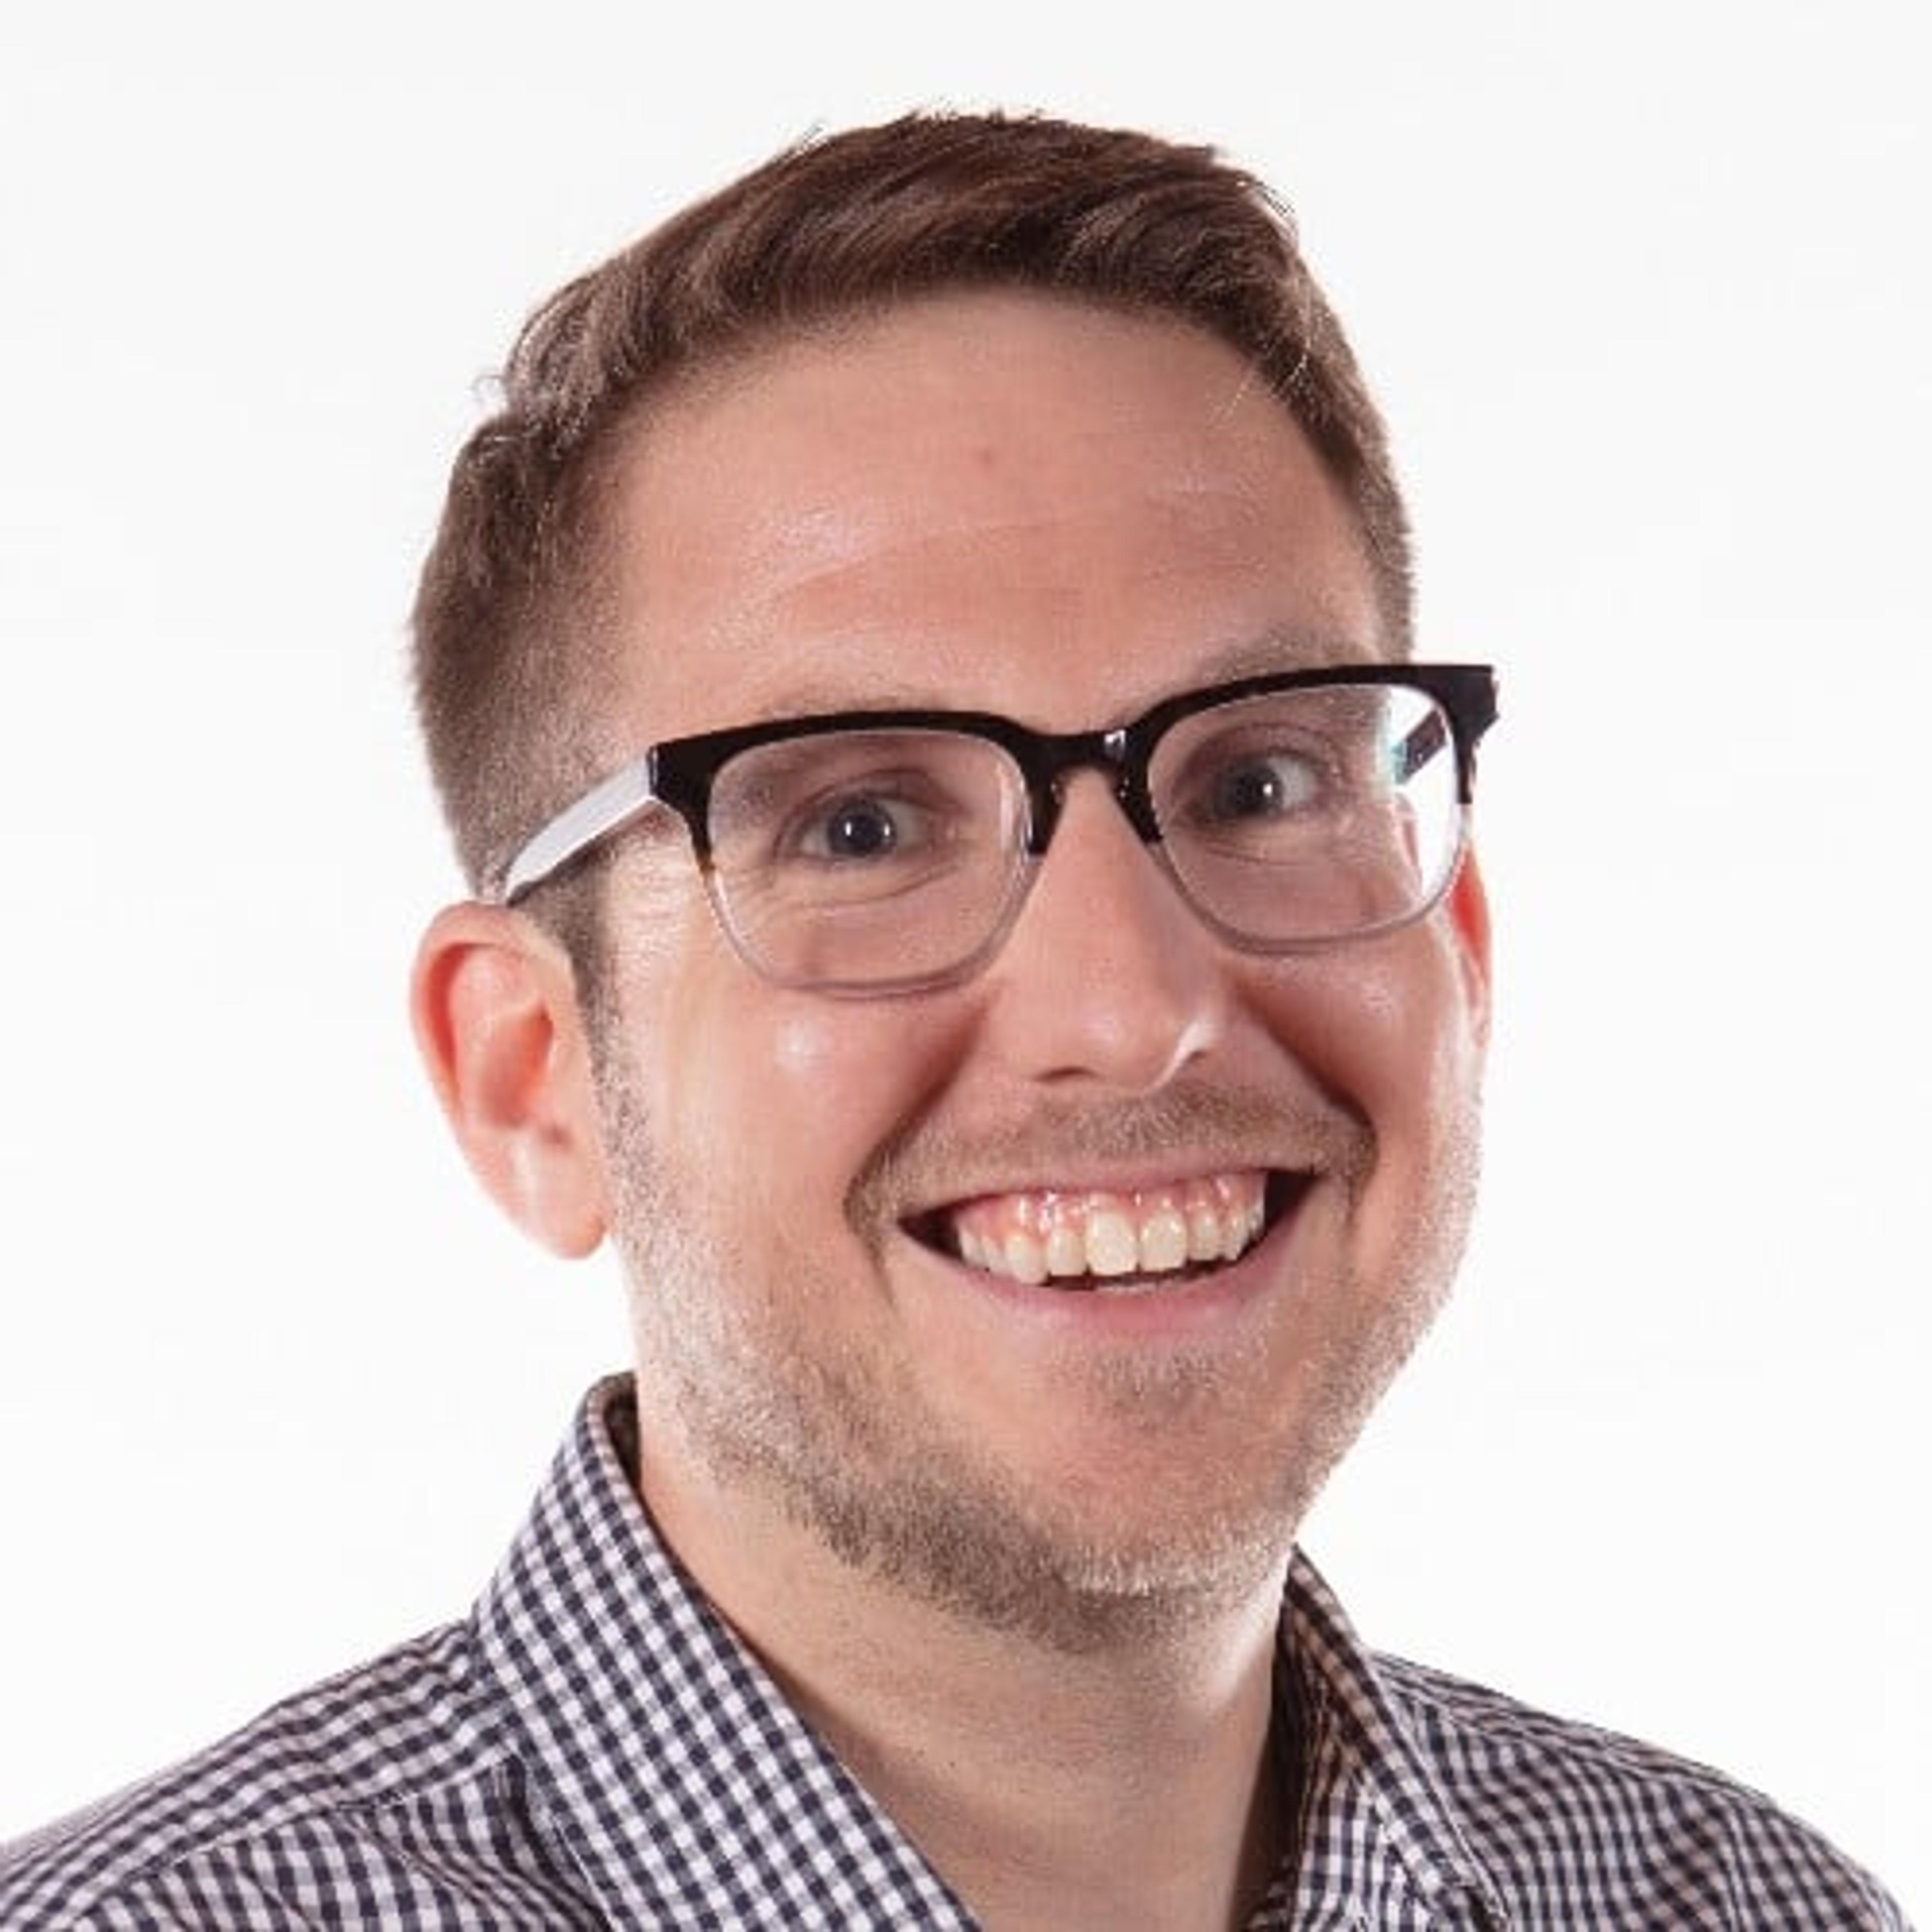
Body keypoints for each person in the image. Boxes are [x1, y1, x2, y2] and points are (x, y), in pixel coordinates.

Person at [0, 110, 1908, 1930]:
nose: (1135, 1011)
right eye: (862, 826)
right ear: (534, 1078)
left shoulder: (1742, 1906)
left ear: (1460, 946)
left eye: (1258, 784)